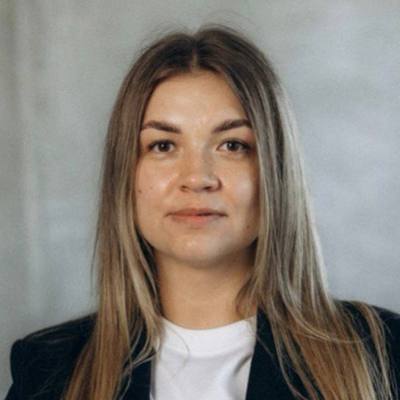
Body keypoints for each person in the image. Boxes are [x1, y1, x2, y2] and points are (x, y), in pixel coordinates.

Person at [5, 24, 400, 400]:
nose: (197, 178)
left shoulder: (383, 354)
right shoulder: (47, 371)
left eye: (232, 145)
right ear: (125, 174)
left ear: (276, 173)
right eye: (163, 146)